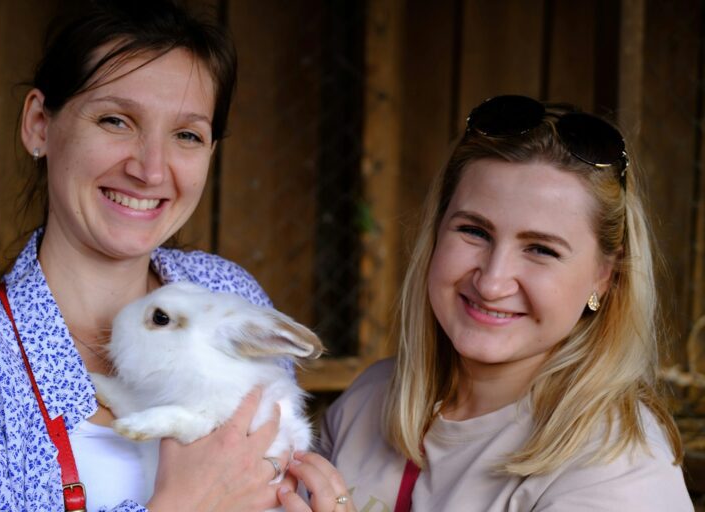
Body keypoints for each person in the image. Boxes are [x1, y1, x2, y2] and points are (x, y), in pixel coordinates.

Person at [0, 1, 296, 510]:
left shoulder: (228, 294)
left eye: (187, 135)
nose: (151, 170)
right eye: (116, 120)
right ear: (40, 124)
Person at [287, 95, 695, 511]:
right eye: (475, 232)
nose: (493, 281)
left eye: (541, 249)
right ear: (436, 233)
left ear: (604, 276)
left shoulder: (618, 470)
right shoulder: (368, 400)